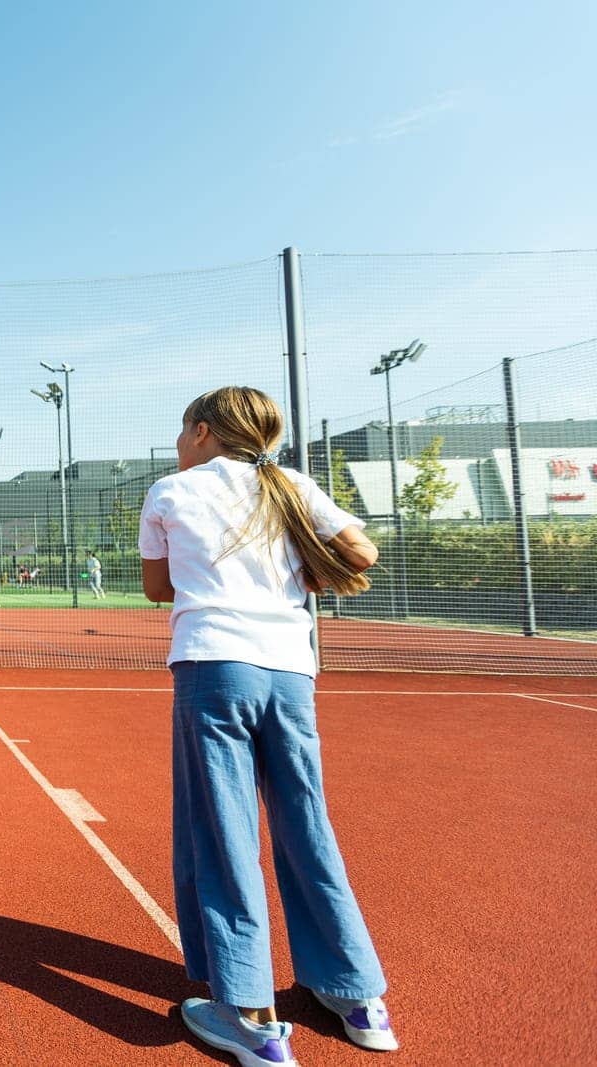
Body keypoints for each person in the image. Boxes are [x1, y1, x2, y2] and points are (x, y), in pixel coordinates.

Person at [138, 387, 395, 1065]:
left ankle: (251, 1017)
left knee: (222, 831)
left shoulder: (172, 490)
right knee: (306, 824)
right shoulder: (291, 486)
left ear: (200, 431)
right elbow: (361, 553)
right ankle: (358, 995)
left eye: (180, 429)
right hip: (290, 672)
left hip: (215, 668)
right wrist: (297, 571)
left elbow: (158, 589)